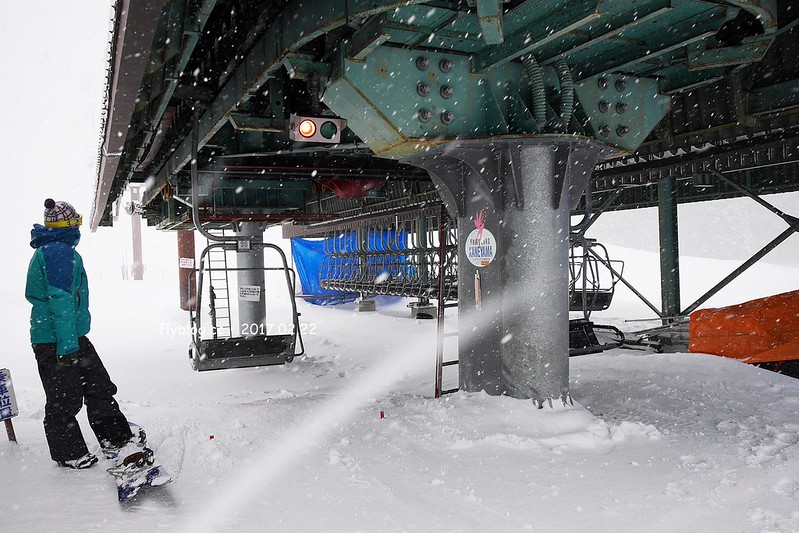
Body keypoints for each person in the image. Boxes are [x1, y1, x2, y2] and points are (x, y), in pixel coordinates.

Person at [26, 199, 145, 469]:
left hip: (70, 336)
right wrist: (68, 348)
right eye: (75, 221)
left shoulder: (58, 249)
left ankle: (115, 438)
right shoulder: (57, 251)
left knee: (98, 386)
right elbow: (61, 300)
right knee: (64, 398)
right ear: (68, 225)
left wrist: (72, 341)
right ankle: (69, 453)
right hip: (56, 341)